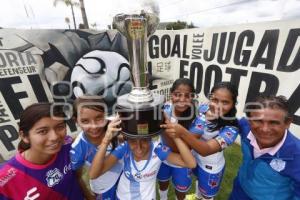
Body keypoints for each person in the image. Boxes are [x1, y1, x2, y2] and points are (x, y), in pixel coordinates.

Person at [162, 81, 239, 200]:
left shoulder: (231, 128)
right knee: (198, 182)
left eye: (225, 102)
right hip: (194, 159)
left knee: (207, 196)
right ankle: (197, 196)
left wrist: (181, 132)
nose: (218, 105)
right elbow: (184, 103)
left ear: (234, 103)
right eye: (215, 100)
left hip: (210, 167)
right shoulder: (203, 108)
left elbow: (205, 150)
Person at [89, 115, 196, 200]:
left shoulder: (158, 150)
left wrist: (175, 137)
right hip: (122, 197)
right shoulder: (124, 148)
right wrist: (105, 140)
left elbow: (191, 163)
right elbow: (94, 174)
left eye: (144, 140)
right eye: (133, 141)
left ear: (150, 138)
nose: (139, 147)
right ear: (126, 140)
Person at [0, 102, 84, 200]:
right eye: (43, 131)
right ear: (24, 136)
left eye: (60, 127)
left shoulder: (68, 147)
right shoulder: (5, 178)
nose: (55, 137)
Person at [229, 95, 300, 200]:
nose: (264, 129)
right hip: (238, 192)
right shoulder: (245, 127)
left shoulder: (297, 155)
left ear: (287, 123)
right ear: (249, 120)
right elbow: (230, 121)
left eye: (273, 122)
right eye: (258, 120)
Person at [70, 95, 123, 200]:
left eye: (99, 118)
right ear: (76, 121)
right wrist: (89, 196)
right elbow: (77, 177)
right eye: (85, 121)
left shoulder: (113, 125)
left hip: (125, 176)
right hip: (104, 188)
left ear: (105, 115)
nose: (94, 126)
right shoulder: (77, 149)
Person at [157, 78, 198, 200]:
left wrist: (166, 129)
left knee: (180, 192)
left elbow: (183, 149)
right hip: (163, 158)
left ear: (193, 97)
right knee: (162, 183)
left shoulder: (197, 120)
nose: (181, 100)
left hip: (182, 163)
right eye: (177, 95)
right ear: (171, 94)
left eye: (187, 96)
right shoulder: (164, 108)